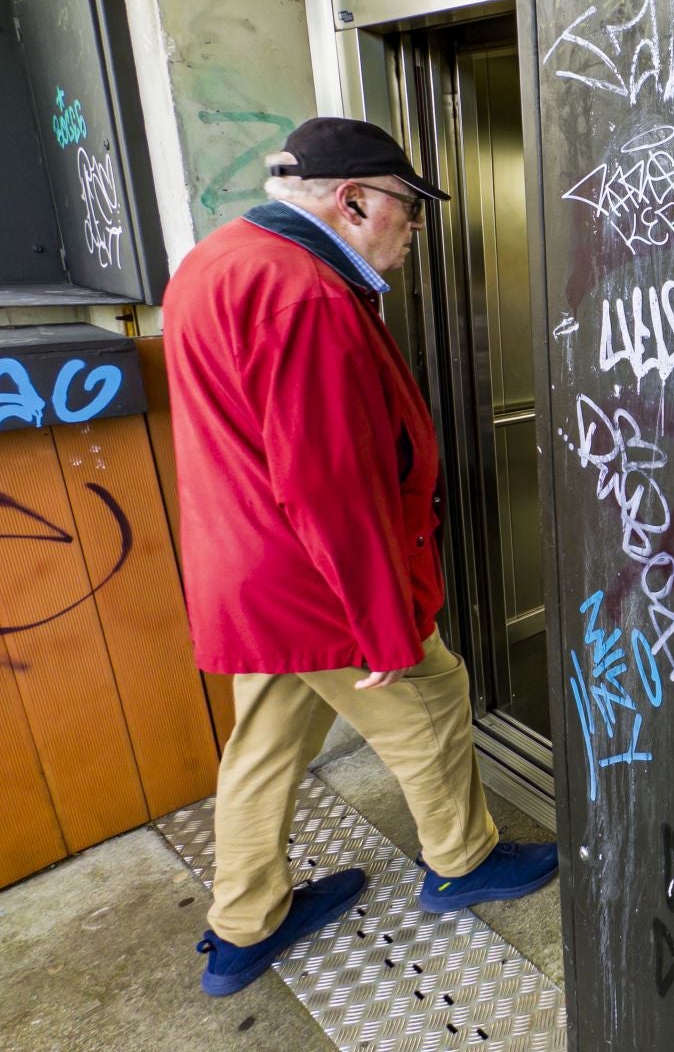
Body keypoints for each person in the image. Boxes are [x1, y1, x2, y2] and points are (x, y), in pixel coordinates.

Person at [163, 117, 558, 997]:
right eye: (407, 209)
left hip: (249, 568)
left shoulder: (216, 261)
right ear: (352, 201)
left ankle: (245, 924)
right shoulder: (301, 292)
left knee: (266, 743)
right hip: (313, 578)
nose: (412, 230)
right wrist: (382, 625)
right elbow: (329, 482)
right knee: (432, 694)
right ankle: (463, 861)